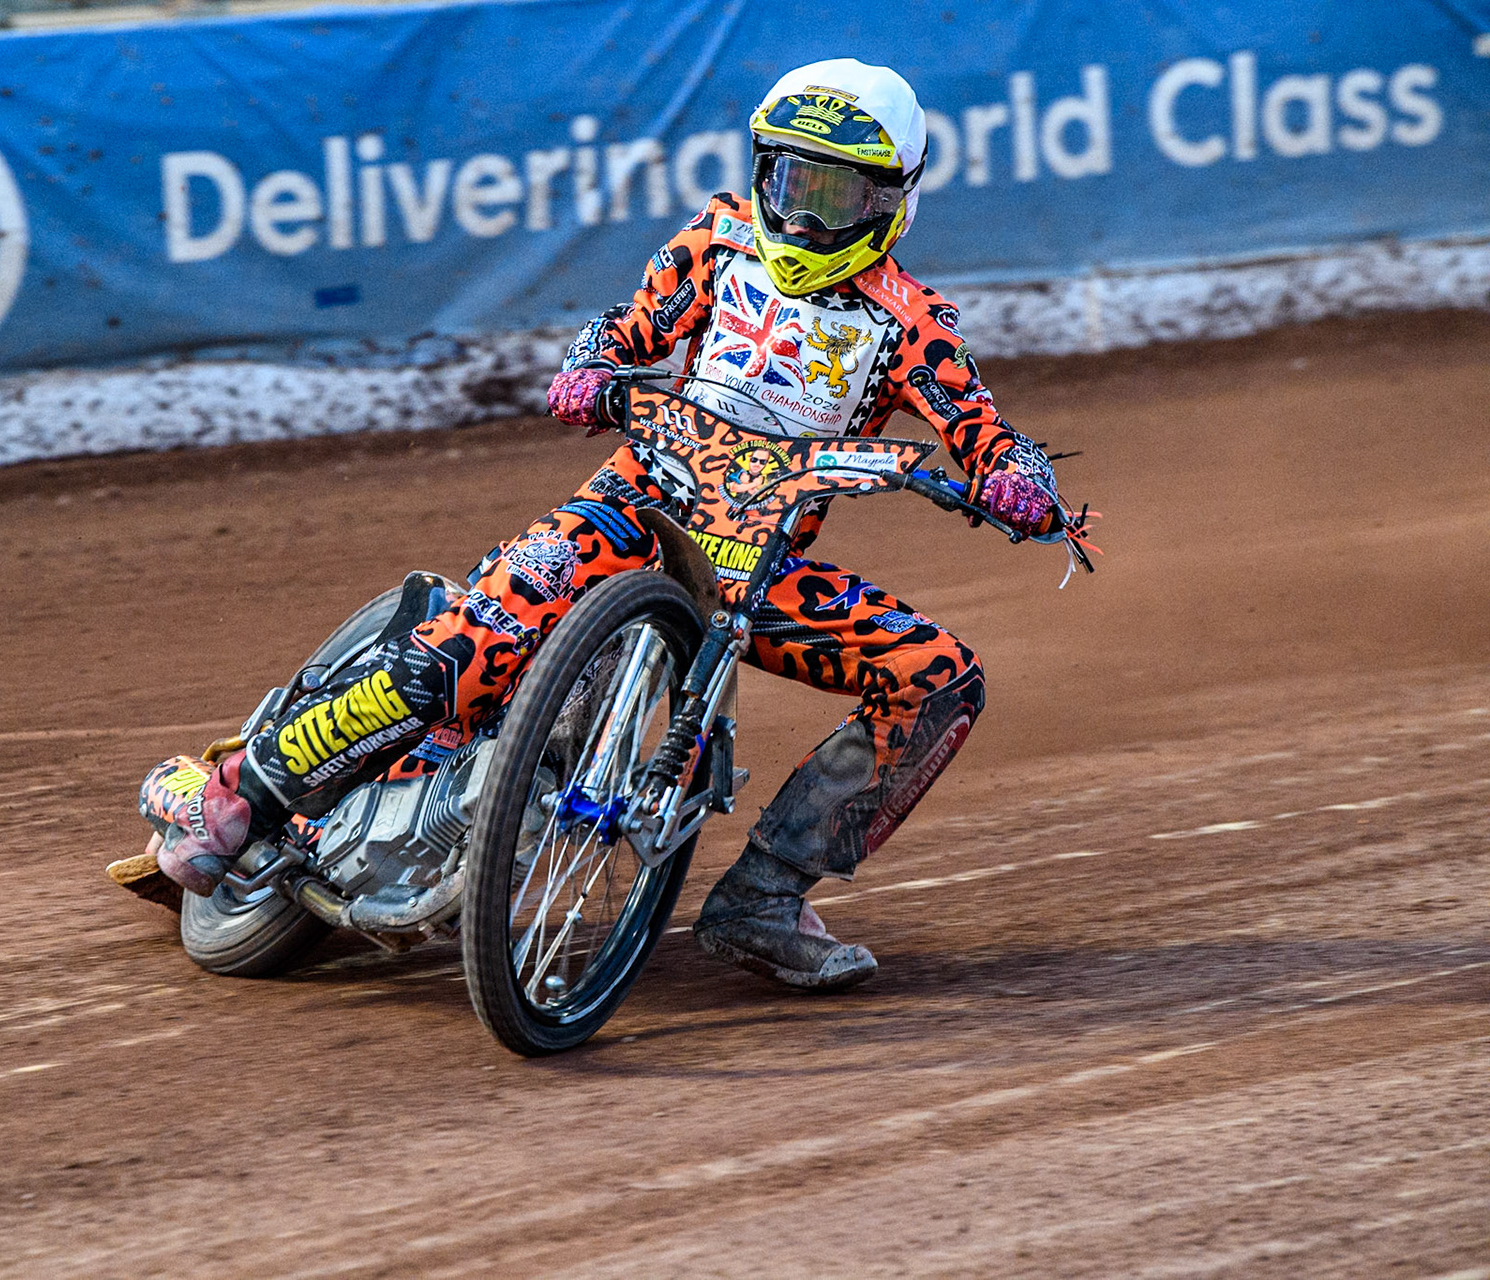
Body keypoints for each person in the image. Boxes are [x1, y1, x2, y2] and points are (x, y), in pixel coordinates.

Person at [122, 59, 1077, 989]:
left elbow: (979, 430)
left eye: (839, 195)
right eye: (792, 181)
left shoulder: (915, 324)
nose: (808, 215)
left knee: (940, 680)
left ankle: (765, 898)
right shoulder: (717, 242)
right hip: (625, 513)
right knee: (463, 653)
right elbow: (626, 328)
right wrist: (591, 365)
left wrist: (1017, 480)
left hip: (760, 571)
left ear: (894, 202)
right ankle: (243, 793)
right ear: (762, 172)